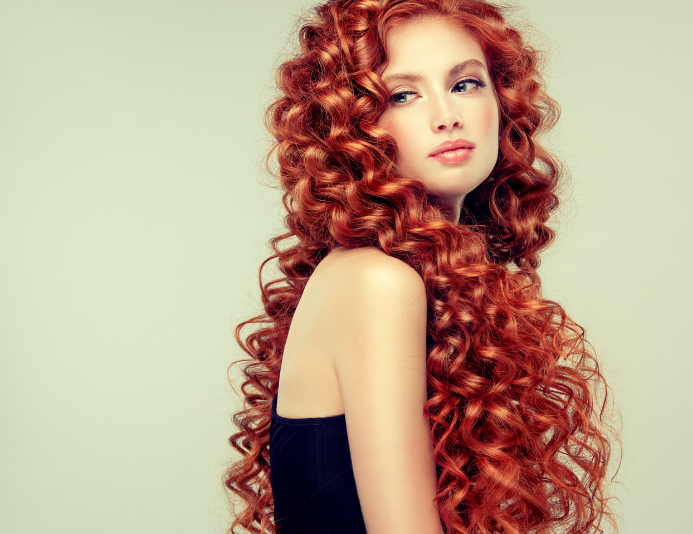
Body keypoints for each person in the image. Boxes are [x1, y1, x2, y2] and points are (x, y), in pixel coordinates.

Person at [224, 1, 617, 533]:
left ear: (503, 100)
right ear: (353, 128)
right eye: (403, 94)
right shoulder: (376, 282)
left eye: (465, 84)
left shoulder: (419, 279)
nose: (446, 115)